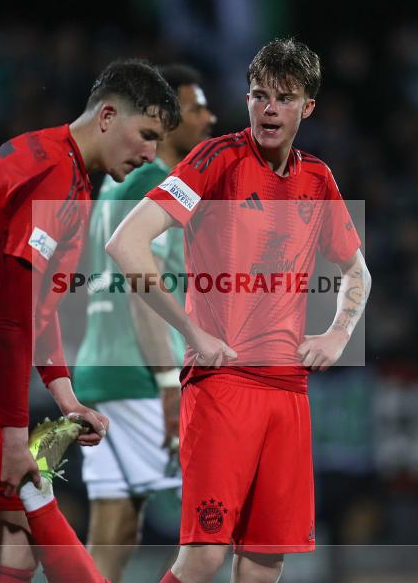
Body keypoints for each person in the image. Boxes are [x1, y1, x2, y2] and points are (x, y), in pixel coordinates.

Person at [0, 59, 180, 583]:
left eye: (159, 142)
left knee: (17, 544)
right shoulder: (51, 173)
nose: (150, 154)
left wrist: (64, 392)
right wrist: (13, 433)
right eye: (145, 134)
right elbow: (11, 316)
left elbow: (38, 305)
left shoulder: (70, 173)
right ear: (106, 116)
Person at [107, 39, 372, 583]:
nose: (268, 108)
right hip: (222, 384)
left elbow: (358, 274)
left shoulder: (317, 179)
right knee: (204, 556)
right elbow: (125, 243)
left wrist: (337, 336)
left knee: (262, 563)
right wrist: (191, 330)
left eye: (283, 97)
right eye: (258, 96)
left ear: (308, 107)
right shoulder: (217, 161)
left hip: (288, 392)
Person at [73, 64, 216, 582]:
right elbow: (140, 288)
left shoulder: (118, 184)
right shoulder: (159, 186)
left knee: (115, 527)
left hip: (102, 368)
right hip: (142, 374)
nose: (208, 118)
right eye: (196, 108)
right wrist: (166, 381)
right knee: (222, 509)